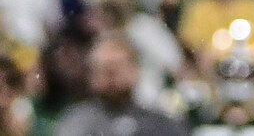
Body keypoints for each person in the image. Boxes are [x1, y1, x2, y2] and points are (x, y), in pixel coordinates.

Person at [53, 34, 190, 136]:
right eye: (104, 69)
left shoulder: (162, 124)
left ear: (135, 70)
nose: (111, 76)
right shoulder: (77, 123)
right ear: (91, 75)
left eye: (117, 67)